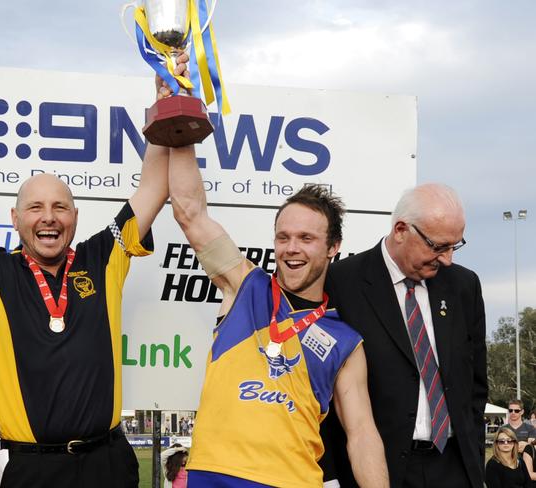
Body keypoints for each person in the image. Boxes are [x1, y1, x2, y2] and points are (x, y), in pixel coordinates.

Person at [0, 58, 189, 487]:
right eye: (35, 207)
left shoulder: (102, 257)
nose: (48, 218)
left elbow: (154, 189)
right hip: (34, 470)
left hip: (107, 462)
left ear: (75, 216)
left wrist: (164, 101)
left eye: (60, 207)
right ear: (14, 218)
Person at [168, 143, 388, 487]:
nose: (291, 248)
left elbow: (361, 435)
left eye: (306, 238)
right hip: (214, 476)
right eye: (283, 237)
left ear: (333, 247)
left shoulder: (345, 342)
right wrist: (180, 125)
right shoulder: (244, 286)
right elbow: (190, 213)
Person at [322, 183, 487, 488]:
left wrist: (474, 462)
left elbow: (475, 388)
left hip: (455, 467)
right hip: (378, 470)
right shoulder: (341, 283)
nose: (448, 258)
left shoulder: (465, 286)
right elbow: (323, 394)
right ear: (401, 230)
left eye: (455, 246)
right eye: (438, 246)